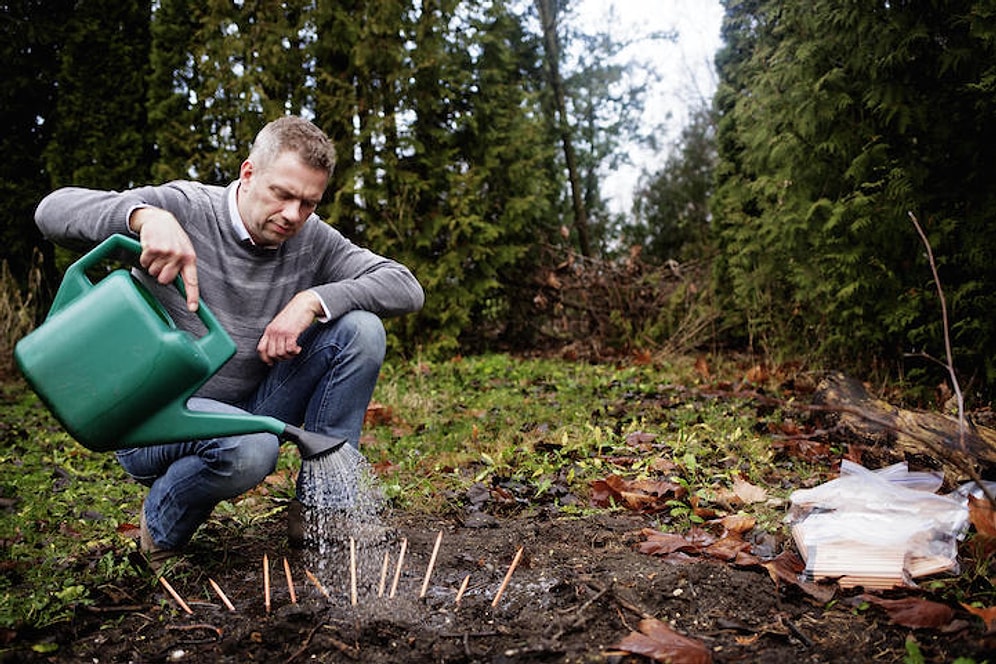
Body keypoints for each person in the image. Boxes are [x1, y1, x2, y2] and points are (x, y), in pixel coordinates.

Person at [34, 116, 424, 566]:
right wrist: (145, 218)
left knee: (360, 330)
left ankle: (325, 512)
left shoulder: (311, 240)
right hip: (153, 420)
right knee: (251, 447)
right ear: (248, 173)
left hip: (247, 409)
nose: (293, 215)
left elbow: (404, 285)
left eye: (309, 203)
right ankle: (161, 529)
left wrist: (312, 300)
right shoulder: (182, 208)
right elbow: (52, 211)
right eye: (282, 194)